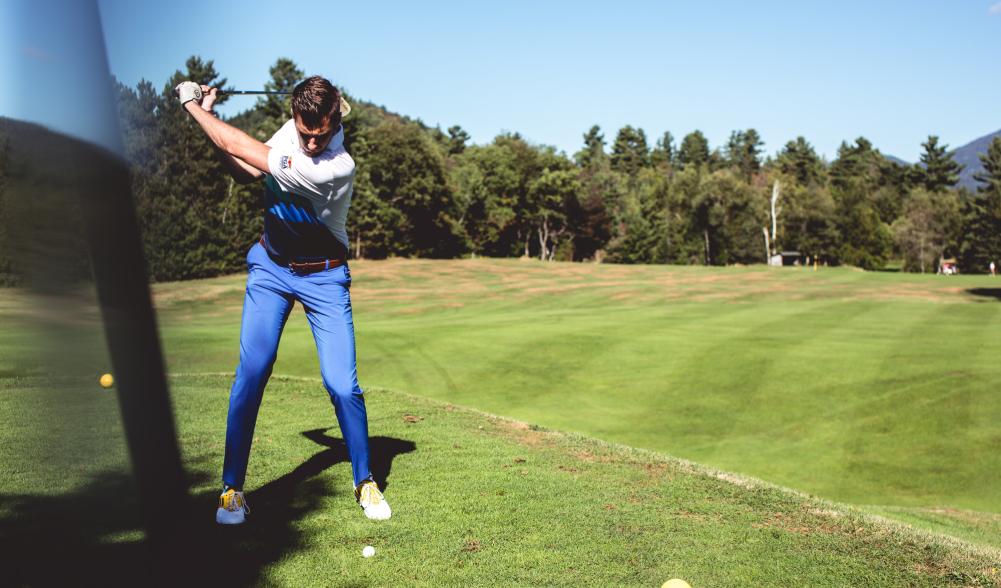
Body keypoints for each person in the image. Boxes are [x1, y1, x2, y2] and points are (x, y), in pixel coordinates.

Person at [175, 77, 391, 524]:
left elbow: (242, 147)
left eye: (322, 132)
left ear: (335, 122)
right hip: (271, 268)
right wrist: (211, 117)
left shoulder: (335, 165)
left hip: (325, 276)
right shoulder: (292, 133)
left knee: (342, 385)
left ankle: (364, 480)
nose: (313, 141)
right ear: (295, 114)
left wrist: (194, 108)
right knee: (251, 373)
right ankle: (231, 489)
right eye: (305, 130)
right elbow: (247, 170)